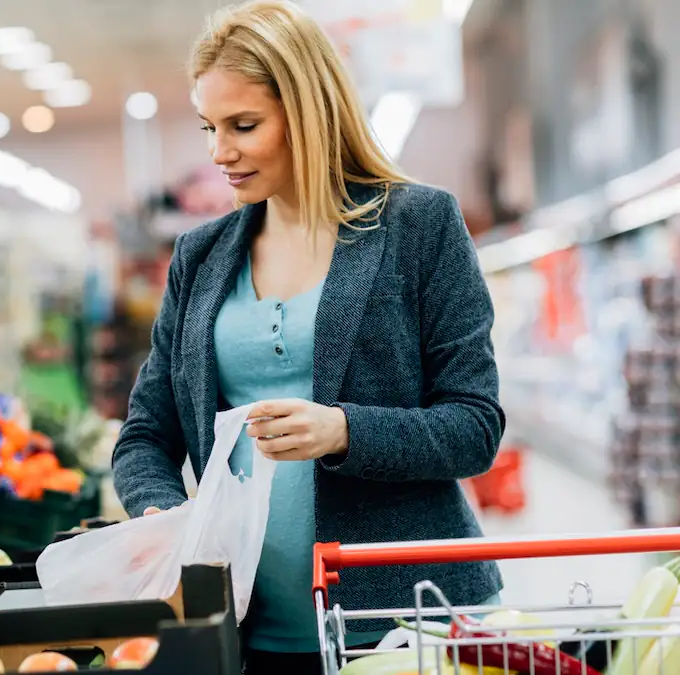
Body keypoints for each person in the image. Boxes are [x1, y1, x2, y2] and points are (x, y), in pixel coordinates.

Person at [110, 1, 505, 672]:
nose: (218, 152)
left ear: (310, 111)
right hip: (243, 629)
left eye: (243, 125)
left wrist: (344, 430)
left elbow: (474, 425)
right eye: (209, 126)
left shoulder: (418, 226)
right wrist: (163, 513)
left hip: (404, 623)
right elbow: (147, 433)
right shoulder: (201, 257)